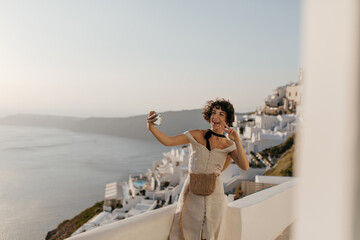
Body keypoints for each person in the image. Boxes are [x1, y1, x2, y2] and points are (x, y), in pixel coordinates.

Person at [147, 98, 249, 240]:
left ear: (227, 119)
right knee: (186, 231)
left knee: (211, 233)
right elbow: (168, 141)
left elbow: (244, 166)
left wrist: (237, 140)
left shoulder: (229, 145)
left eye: (221, 114)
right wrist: (152, 128)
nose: (216, 117)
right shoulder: (196, 134)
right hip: (192, 193)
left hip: (215, 196)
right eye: (213, 112)